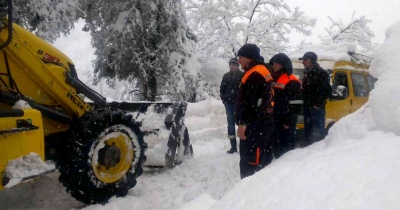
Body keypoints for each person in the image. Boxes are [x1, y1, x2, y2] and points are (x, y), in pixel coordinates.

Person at [235, 43, 275, 179]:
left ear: (249, 57)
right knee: (259, 161)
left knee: (251, 163)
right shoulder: (259, 70)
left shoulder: (256, 73)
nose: (238, 60)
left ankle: (249, 193)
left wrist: (244, 123)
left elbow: (253, 103)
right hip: (261, 125)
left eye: (240, 57)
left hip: (255, 127)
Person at [269, 53, 302, 158]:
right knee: (277, 148)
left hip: (285, 121)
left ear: (283, 65)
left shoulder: (292, 80)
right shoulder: (275, 79)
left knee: (286, 151)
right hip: (276, 119)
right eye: (273, 63)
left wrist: (288, 120)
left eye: (277, 64)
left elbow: (296, 103)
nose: (274, 66)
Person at [299, 52, 332, 146]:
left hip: (316, 109)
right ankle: (308, 151)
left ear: (310, 61)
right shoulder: (307, 73)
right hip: (307, 107)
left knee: (317, 135)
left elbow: (327, 91)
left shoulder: (321, 73)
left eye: (304, 60)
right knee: (308, 134)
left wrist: (318, 104)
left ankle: (317, 156)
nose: (303, 63)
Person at [220, 58, 244, 154]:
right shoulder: (226, 76)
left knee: (241, 124)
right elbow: (222, 89)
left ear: (237, 65)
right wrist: (224, 100)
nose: (232, 66)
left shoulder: (242, 75)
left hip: (239, 104)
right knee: (230, 125)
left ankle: (242, 145)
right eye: (230, 64)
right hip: (229, 104)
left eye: (234, 64)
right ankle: (233, 147)